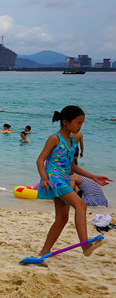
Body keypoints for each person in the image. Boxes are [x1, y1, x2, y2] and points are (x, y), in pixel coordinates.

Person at [34, 106, 110, 258]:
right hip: (54, 180)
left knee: (62, 219)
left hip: (64, 178)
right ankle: (85, 245)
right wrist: (44, 178)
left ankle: (44, 251)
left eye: (82, 123)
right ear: (65, 122)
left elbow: (72, 167)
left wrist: (93, 177)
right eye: (78, 122)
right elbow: (40, 160)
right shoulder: (55, 138)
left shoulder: (72, 141)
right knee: (80, 204)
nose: (80, 126)